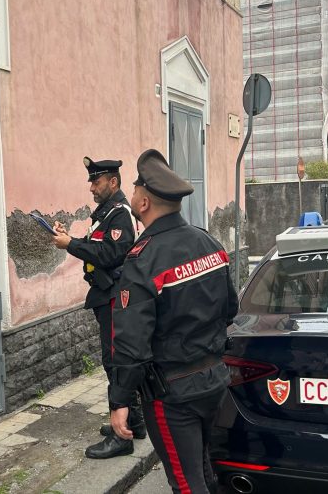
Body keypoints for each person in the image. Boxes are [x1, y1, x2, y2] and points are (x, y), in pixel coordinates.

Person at [108, 149, 238, 494]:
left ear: (145, 203)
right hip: (214, 380)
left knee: (185, 483)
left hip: (173, 394)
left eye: (135, 189)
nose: (131, 195)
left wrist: (120, 401)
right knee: (205, 470)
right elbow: (231, 308)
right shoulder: (208, 242)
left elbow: (131, 343)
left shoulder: (143, 260)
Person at [51, 156, 143, 459]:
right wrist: (70, 238)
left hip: (116, 297)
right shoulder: (106, 213)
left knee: (115, 362)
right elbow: (97, 245)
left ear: (112, 182)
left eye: (96, 180)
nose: (91, 186)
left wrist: (71, 245)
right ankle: (135, 422)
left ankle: (122, 438)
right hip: (105, 295)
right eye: (91, 181)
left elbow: (109, 254)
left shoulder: (119, 214)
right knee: (117, 360)